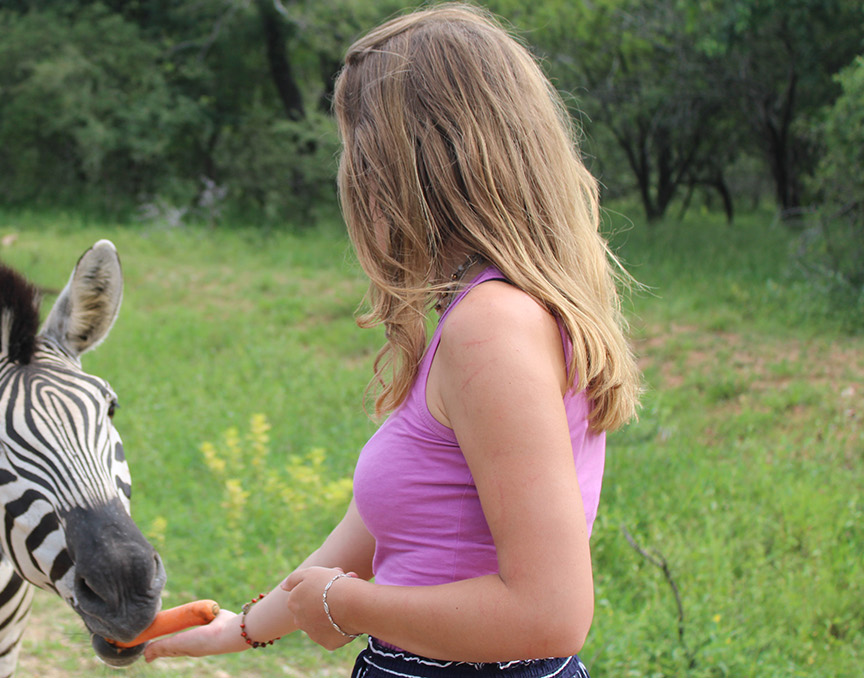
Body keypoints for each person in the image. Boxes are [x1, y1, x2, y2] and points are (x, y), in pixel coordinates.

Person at [143, 3, 642, 676]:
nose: (349, 174)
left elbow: (550, 613)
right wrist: (247, 628)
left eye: (356, 146)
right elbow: (380, 527)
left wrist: (353, 606)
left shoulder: (490, 328)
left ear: (405, 161)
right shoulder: (483, 313)